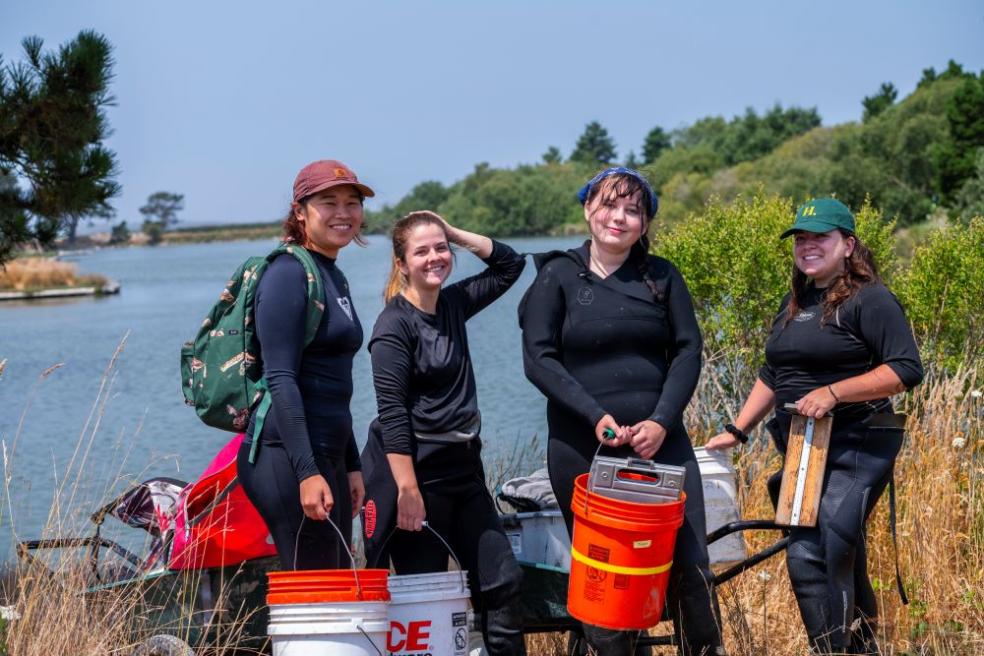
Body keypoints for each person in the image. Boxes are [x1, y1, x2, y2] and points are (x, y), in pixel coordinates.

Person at [706, 198, 924, 654]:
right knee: (807, 556)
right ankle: (844, 649)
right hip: (804, 447)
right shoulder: (796, 302)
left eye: (820, 237)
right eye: (801, 239)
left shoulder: (870, 299)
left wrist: (834, 393)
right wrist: (738, 430)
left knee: (832, 545)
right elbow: (774, 373)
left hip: (859, 443)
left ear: (848, 245)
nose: (807, 246)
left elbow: (905, 369)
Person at [519, 167, 723, 656]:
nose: (620, 217)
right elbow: (538, 360)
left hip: (661, 445)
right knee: (608, 579)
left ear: (645, 223)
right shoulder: (557, 276)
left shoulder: (662, 276)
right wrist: (595, 416)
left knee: (692, 567)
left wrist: (661, 421)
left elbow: (688, 351)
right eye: (609, 205)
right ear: (588, 208)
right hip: (582, 447)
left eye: (633, 210)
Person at [361, 211, 527, 656]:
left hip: (464, 473)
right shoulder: (393, 327)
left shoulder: (452, 304)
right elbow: (392, 414)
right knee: (427, 604)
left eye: (441, 248)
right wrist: (407, 491)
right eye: (422, 251)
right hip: (420, 479)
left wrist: (451, 231)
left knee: (503, 584)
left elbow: (510, 265)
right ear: (401, 263)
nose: (435, 257)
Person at [236, 159, 370, 570]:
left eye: (352, 202)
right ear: (300, 211)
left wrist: (351, 464)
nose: (343, 213)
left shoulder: (331, 274)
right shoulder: (287, 274)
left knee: (337, 580)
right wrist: (308, 472)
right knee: (315, 586)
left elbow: (334, 385)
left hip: (327, 453)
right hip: (286, 456)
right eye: (329, 202)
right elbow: (281, 378)